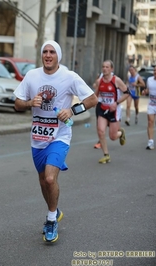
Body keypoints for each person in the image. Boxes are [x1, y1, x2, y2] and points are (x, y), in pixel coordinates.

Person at [13, 40, 98, 243]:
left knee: (50, 179)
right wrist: (28, 103)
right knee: (43, 181)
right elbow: (17, 103)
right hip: (38, 138)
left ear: (58, 56)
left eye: (52, 52)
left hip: (60, 136)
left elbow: (92, 99)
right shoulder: (32, 76)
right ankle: (55, 209)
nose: (48, 55)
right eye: (45, 52)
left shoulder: (69, 77)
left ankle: (51, 219)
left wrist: (72, 110)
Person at [94, 60, 130, 164]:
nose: (104, 69)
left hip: (114, 110)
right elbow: (96, 94)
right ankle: (106, 155)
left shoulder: (116, 80)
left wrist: (116, 103)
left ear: (111, 69)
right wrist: (91, 103)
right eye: (103, 67)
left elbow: (127, 93)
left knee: (113, 136)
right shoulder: (99, 81)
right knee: (101, 131)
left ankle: (121, 132)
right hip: (103, 109)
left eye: (107, 67)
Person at [142, 66, 156, 150]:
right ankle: (150, 142)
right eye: (154, 70)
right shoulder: (149, 79)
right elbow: (148, 89)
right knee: (150, 122)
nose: (155, 72)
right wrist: (145, 91)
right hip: (151, 104)